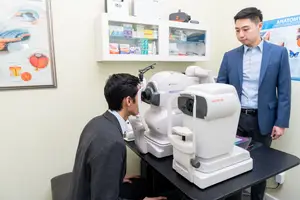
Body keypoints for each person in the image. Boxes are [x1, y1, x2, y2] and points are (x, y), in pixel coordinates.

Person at [217, 7, 291, 200]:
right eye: (237, 30)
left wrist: (281, 122)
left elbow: (284, 91)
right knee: (232, 164)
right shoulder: (229, 56)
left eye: (245, 29)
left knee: (260, 168)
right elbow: (220, 89)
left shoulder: (278, 53)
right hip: (236, 120)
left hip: (263, 120)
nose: (241, 35)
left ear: (259, 26)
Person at [68, 73, 167, 200]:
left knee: (141, 184)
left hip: (83, 189)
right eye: (139, 97)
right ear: (128, 101)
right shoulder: (113, 143)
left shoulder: (96, 122)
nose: (142, 102)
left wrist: (115, 177)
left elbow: (95, 165)